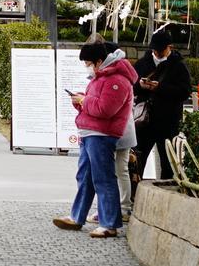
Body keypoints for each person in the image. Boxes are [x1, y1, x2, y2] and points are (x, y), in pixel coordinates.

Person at [52, 40, 137, 238]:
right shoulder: (101, 77)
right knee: (86, 178)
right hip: (90, 133)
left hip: (102, 134)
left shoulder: (117, 80)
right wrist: (81, 100)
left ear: (100, 61)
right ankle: (77, 216)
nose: (87, 66)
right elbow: (95, 104)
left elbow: (105, 109)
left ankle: (109, 224)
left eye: (89, 63)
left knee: (104, 179)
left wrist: (84, 100)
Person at [132, 30, 192, 182]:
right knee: (138, 158)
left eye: (161, 50)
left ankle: (165, 190)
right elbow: (131, 87)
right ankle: (135, 191)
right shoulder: (142, 63)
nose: (157, 53)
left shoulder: (178, 66)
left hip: (168, 121)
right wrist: (140, 85)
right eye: (155, 50)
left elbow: (185, 92)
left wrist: (160, 88)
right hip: (144, 120)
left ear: (169, 47)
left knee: (167, 162)